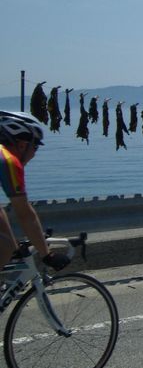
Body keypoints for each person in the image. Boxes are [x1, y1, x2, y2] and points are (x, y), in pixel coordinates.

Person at [1, 111, 71, 274]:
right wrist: (47, 254)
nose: (34, 153)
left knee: (8, 246)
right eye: (36, 146)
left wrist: (15, 246)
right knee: (4, 247)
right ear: (22, 144)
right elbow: (25, 214)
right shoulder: (8, 161)